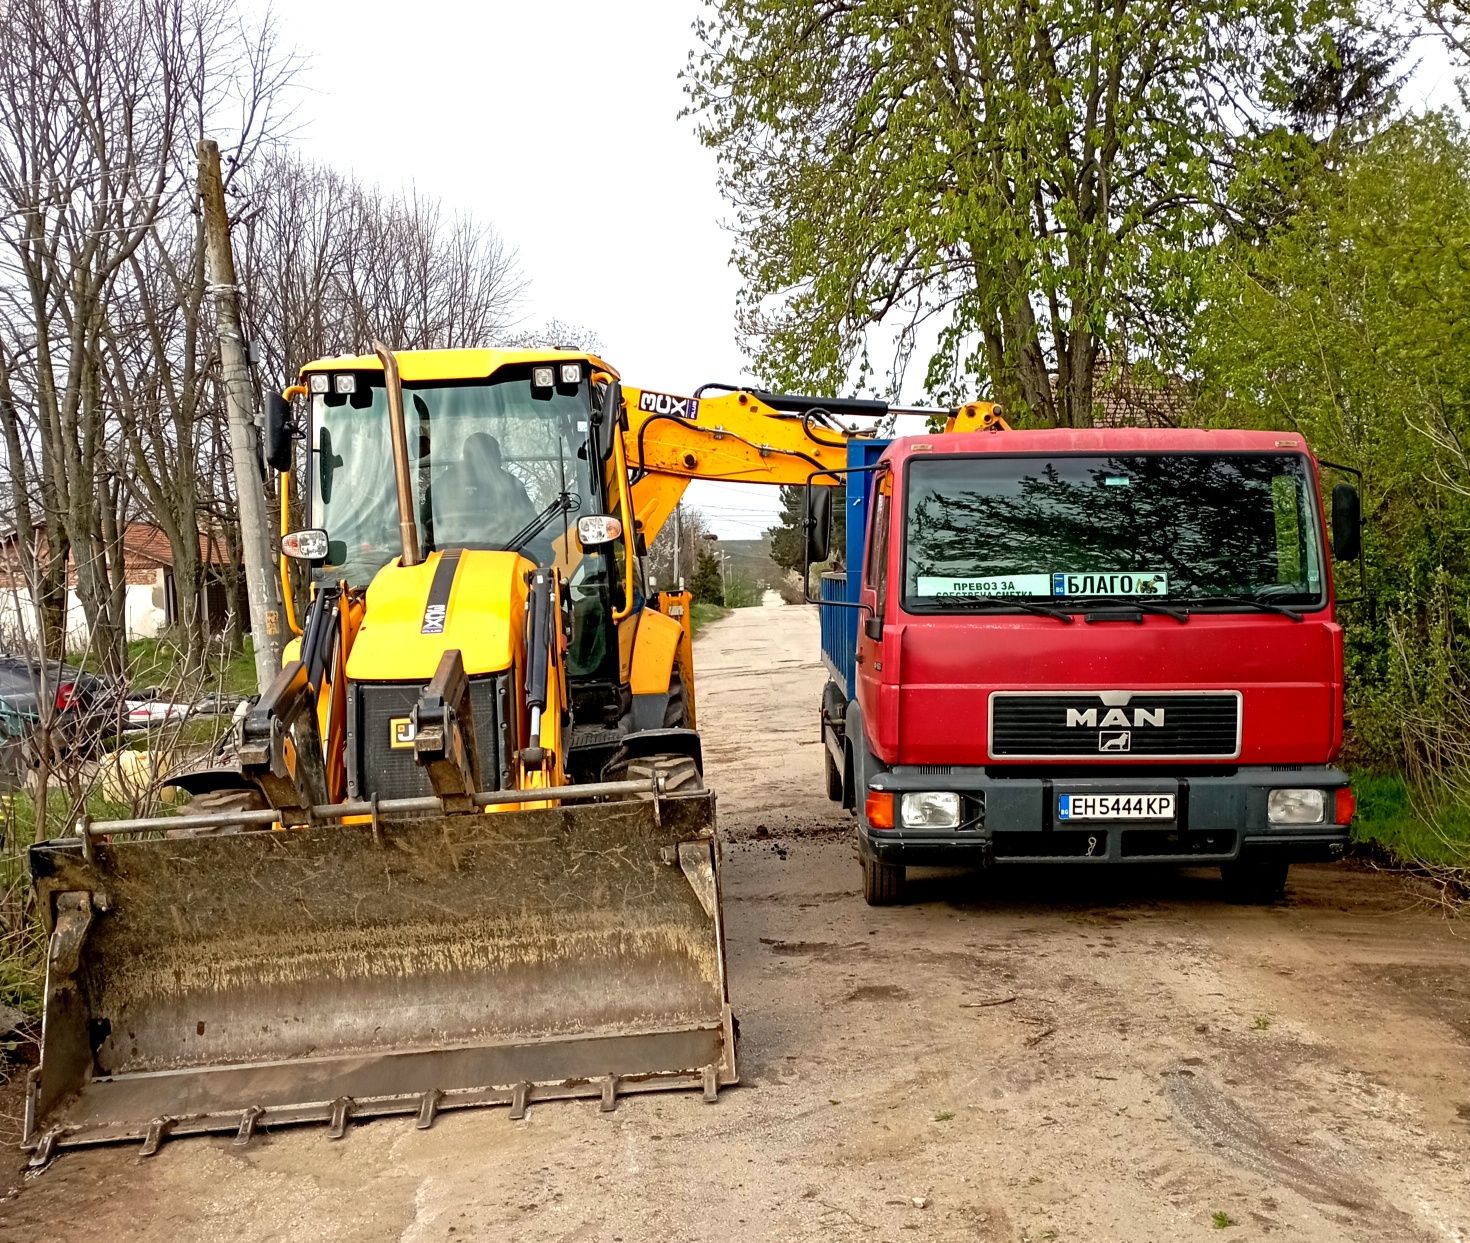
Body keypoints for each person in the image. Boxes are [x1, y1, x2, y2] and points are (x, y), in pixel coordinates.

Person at [434, 431, 540, 549]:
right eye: (496, 454)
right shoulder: (511, 485)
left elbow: (532, 528)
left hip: (502, 553)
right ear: (495, 457)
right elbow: (426, 526)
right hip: (496, 554)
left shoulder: (512, 486)